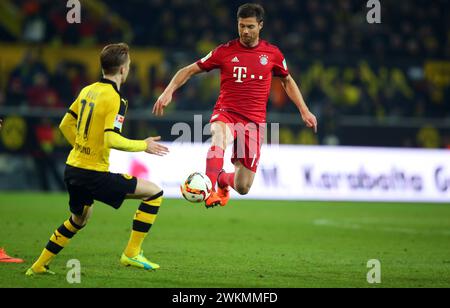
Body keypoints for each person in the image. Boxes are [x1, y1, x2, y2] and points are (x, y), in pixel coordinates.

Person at [153, 3, 317, 208]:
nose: (245, 31)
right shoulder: (224, 51)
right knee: (219, 137)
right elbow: (188, 70)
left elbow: (287, 80)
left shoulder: (273, 54)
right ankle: (209, 189)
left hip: (255, 123)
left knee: (243, 186)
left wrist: (304, 110)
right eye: (241, 26)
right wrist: (168, 91)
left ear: (260, 26)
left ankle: (221, 179)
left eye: (250, 26)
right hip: (227, 113)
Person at [26, 43, 169, 275]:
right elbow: (111, 139)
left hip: (72, 169)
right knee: (154, 193)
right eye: (129, 65)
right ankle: (131, 253)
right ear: (123, 70)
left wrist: (82, 148)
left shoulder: (87, 90)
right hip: (93, 174)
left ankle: (38, 265)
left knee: (78, 220)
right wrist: (144, 145)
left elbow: (65, 124)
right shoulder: (116, 99)